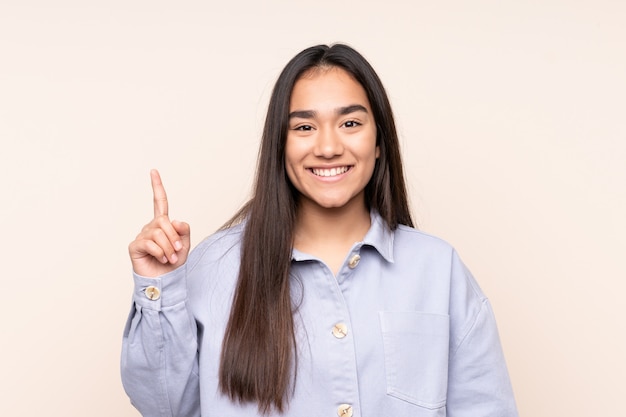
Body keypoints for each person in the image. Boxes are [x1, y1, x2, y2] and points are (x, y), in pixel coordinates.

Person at [121, 43, 518, 417]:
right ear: (280, 144)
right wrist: (160, 288)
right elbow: (166, 407)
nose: (328, 147)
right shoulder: (215, 266)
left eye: (350, 122)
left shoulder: (437, 269)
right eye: (304, 128)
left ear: (379, 140)